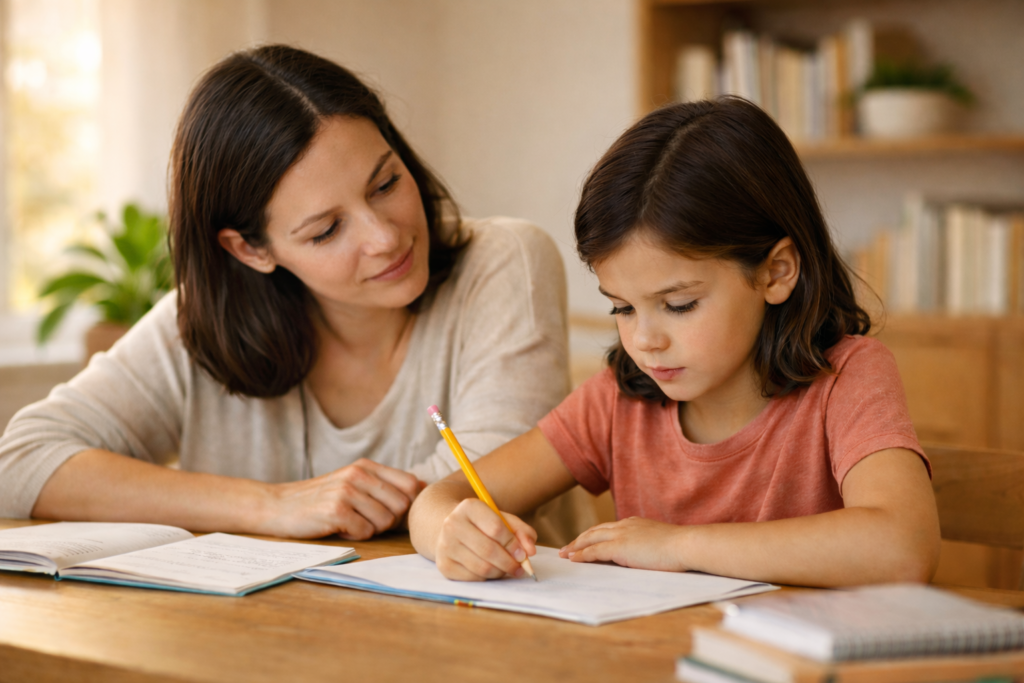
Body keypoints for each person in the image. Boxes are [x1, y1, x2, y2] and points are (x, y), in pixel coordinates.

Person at [0, 45, 572, 541]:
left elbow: (473, 489)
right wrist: (270, 504)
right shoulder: (201, 324)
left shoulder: (505, 262)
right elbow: (21, 462)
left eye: (386, 183)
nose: (386, 237)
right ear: (251, 249)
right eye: (326, 230)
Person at [409, 97, 942, 587]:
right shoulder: (618, 400)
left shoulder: (848, 378)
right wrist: (449, 533)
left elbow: (903, 547)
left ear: (777, 272)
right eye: (621, 307)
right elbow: (438, 500)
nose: (645, 340)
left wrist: (679, 544)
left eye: (679, 304)